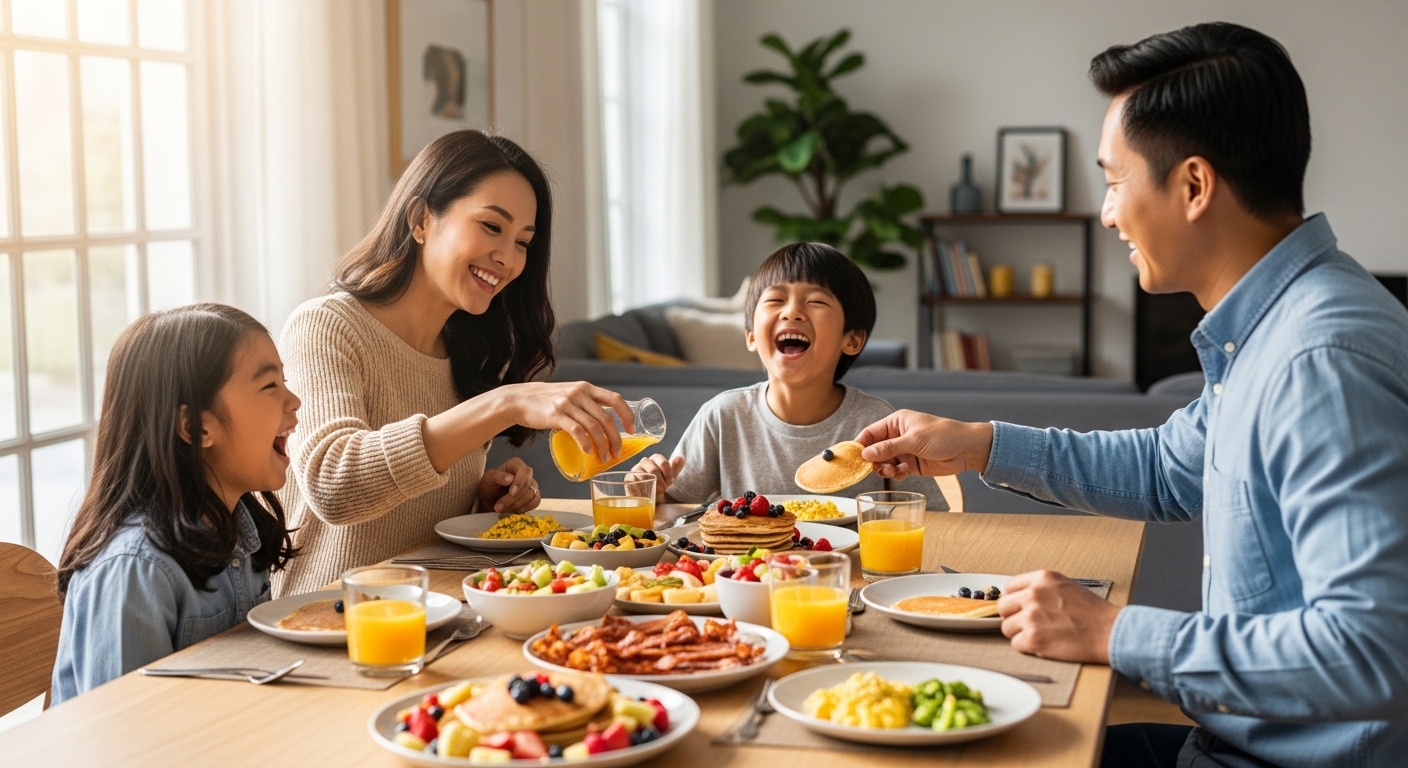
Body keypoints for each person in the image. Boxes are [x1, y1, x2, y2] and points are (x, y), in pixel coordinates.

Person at [857, 22, 1408, 768]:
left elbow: (1372, 651)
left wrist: (1115, 632)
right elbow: (1166, 470)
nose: (1109, 212)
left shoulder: (1320, 360)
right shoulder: (1277, 329)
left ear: (1193, 186)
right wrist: (978, 443)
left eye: (1115, 181)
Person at [277, 130, 632, 596]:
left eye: (523, 242)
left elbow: (405, 516)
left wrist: (480, 498)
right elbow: (335, 487)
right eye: (491, 226)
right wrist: (504, 403)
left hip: (440, 611)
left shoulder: (471, 348)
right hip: (329, 618)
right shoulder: (325, 326)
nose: (507, 258)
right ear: (421, 219)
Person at [51, 304, 301, 704]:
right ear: (196, 426)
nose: (294, 401)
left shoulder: (244, 531)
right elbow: (120, 731)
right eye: (270, 386)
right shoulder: (135, 570)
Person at [632, 242, 946, 510]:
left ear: (852, 339)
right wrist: (650, 491)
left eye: (816, 301)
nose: (791, 312)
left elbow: (929, 516)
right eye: (775, 300)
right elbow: (674, 510)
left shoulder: (876, 423)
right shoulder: (723, 417)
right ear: (751, 335)